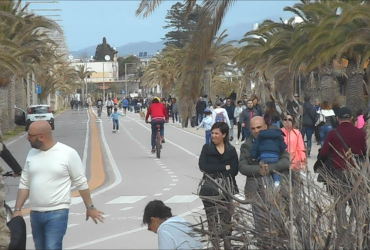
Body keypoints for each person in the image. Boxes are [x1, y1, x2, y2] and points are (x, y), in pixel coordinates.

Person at [13, 121, 104, 250]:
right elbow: (24, 183)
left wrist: (90, 207)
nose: (27, 138)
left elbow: (81, 182)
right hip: (35, 213)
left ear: (41, 137)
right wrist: (17, 209)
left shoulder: (68, 153)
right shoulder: (31, 154)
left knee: (52, 247)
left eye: (30, 135)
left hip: (57, 212)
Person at [239, 116, 290, 235]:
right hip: (257, 191)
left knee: (277, 226)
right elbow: (242, 167)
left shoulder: (275, 140)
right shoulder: (246, 145)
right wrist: (259, 170)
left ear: (265, 127)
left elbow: (286, 161)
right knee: (260, 228)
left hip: (277, 191)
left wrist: (269, 169)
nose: (256, 131)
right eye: (253, 128)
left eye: (259, 127)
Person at [198, 122, 239, 249]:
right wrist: (223, 168)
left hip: (226, 188)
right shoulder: (207, 148)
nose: (213, 136)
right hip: (209, 188)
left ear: (224, 135)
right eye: (212, 133)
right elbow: (203, 167)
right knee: (212, 219)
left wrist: (216, 170)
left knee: (226, 218)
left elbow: (234, 170)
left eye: (217, 133)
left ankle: (227, 244)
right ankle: (215, 245)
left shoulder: (231, 150)